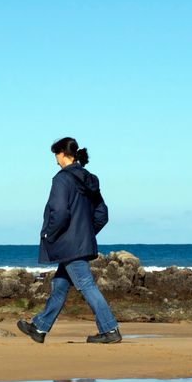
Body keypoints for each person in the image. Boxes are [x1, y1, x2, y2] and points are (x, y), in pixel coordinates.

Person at [17, 137, 122, 344]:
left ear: (63, 154)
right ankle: (39, 328)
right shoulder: (89, 179)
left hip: (69, 245)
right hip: (79, 244)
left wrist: (49, 234)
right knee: (60, 285)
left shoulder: (62, 179)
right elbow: (102, 214)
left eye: (56, 155)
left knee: (86, 285)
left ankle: (110, 330)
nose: (55, 160)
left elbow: (60, 212)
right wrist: (86, 234)